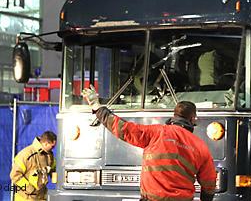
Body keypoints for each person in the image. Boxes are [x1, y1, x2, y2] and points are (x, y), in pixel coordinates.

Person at [82, 86, 216, 201]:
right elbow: (209, 184)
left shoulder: (155, 133)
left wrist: (97, 107)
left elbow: (122, 128)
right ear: (192, 119)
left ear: (174, 116)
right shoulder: (200, 146)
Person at [10, 131, 57, 201]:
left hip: (41, 196)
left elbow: (54, 170)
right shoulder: (26, 155)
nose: (53, 148)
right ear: (46, 143)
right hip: (25, 198)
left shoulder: (49, 155)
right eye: (52, 146)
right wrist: (30, 189)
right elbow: (15, 175)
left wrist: (58, 180)